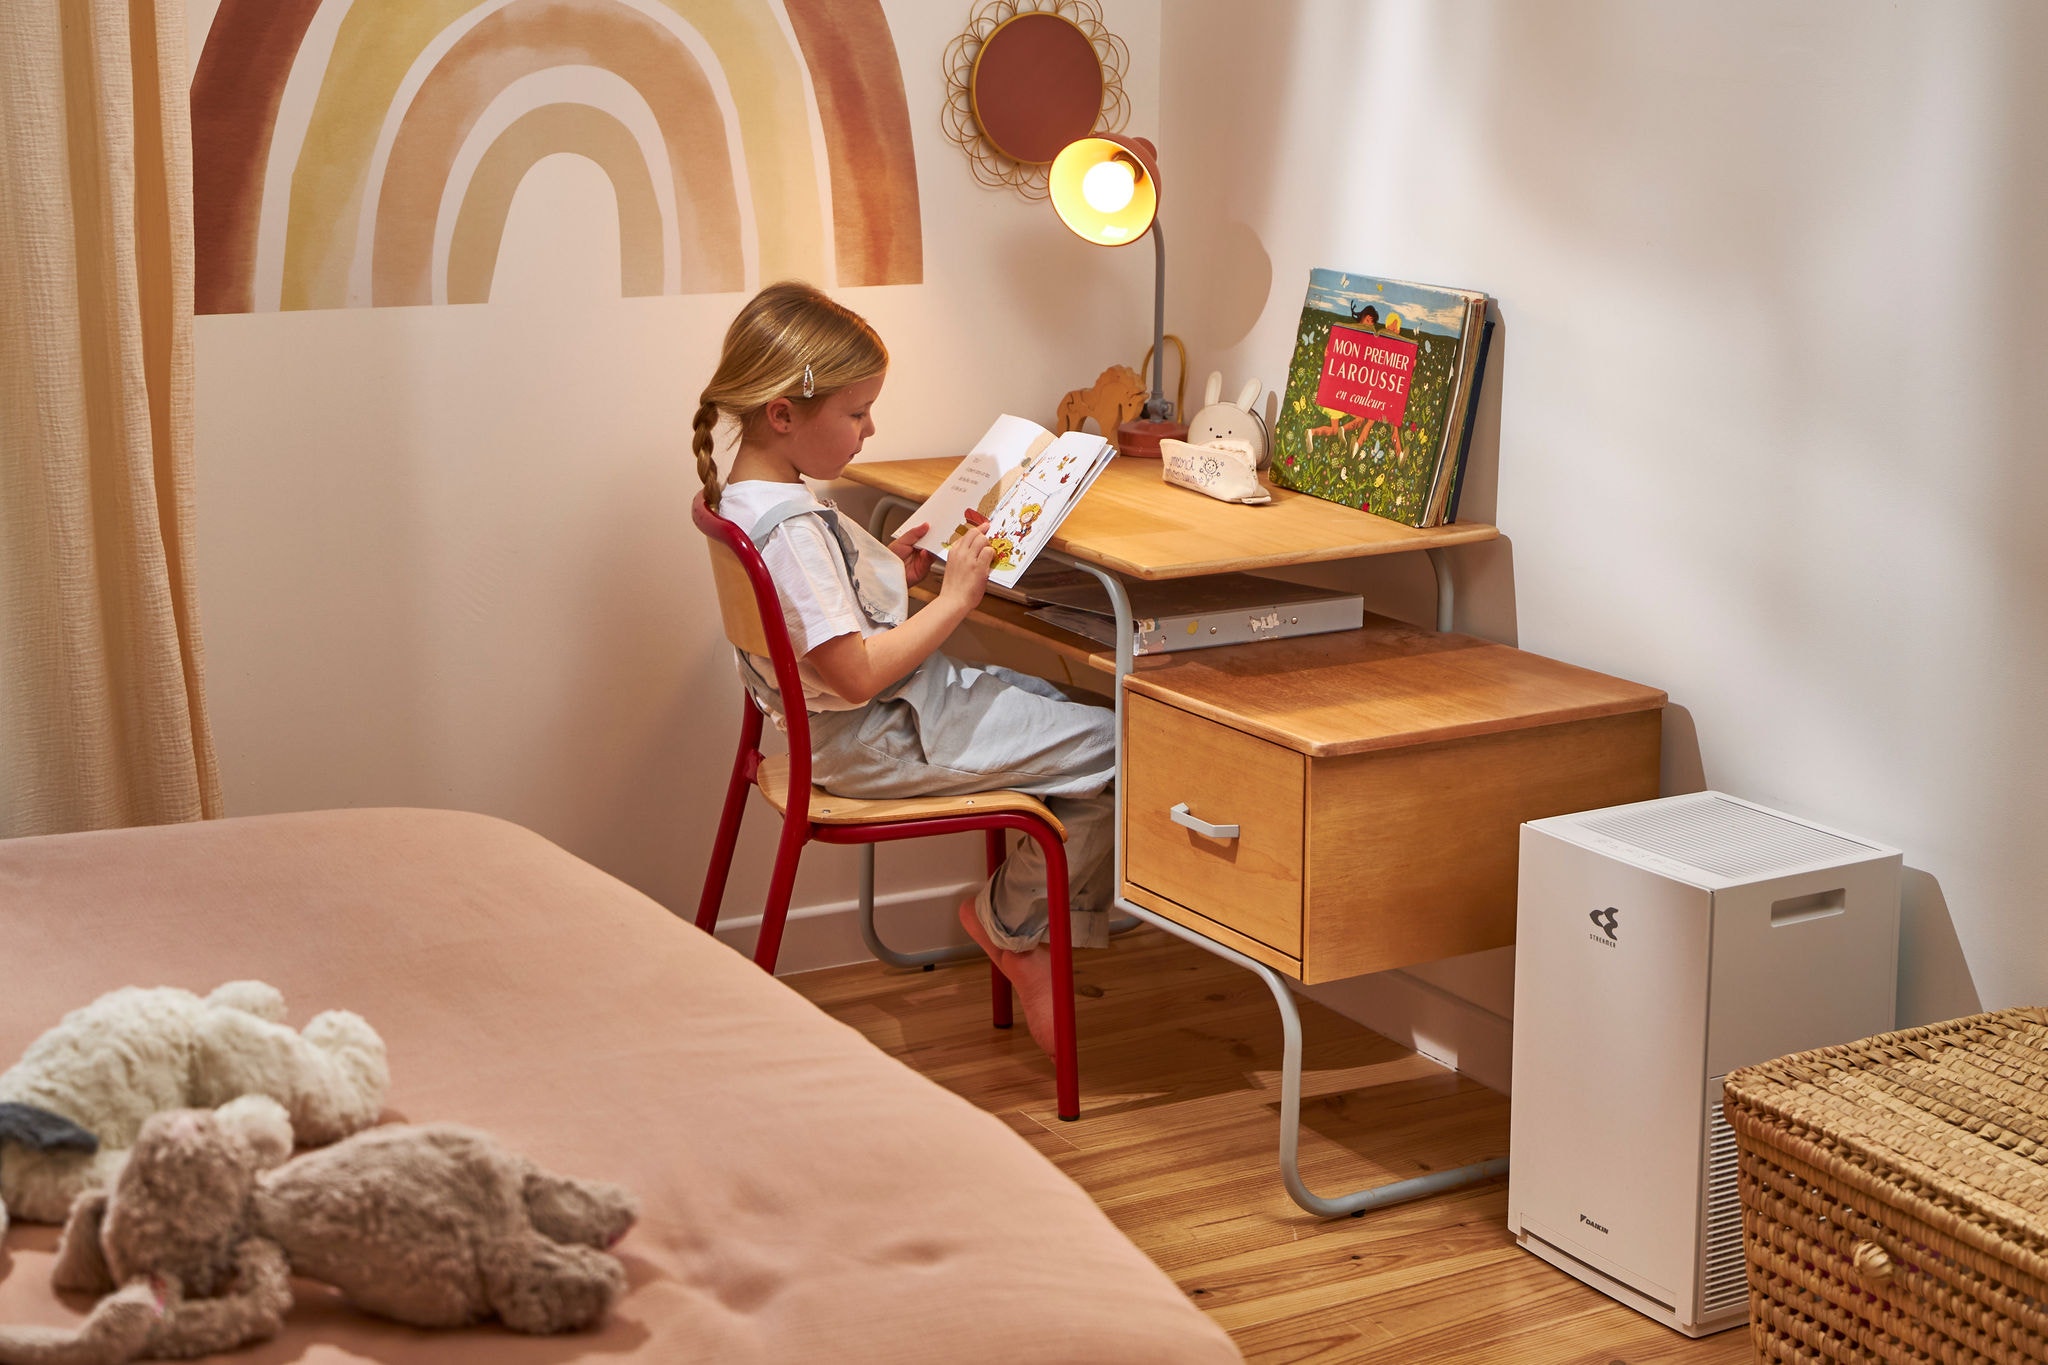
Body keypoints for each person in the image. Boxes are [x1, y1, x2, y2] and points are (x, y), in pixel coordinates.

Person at [691, 281, 1116, 1051]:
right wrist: (952, 602)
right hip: (879, 734)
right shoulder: (792, 530)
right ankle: (1014, 929)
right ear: (783, 414)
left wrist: (894, 573)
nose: (869, 427)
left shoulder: (751, 501)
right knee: (1126, 748)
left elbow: (816, 623)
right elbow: (853, 675)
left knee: (1075, 711)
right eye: (856, 413)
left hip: (851, 731)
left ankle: (1021, 922)